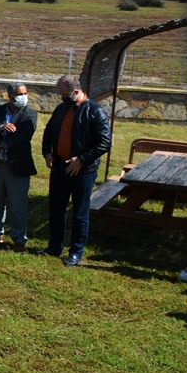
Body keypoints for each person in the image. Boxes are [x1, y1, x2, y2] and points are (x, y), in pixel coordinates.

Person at [38, 75, 111, 266]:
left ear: (76, 92)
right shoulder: (62, 108)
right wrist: (47, 153)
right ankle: (55, 246)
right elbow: (48, 131)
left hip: (82, 170)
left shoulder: (95, 111)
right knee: (56, 209)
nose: (62, 99)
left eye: (64, 95)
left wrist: (82, 160)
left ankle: (76, 252)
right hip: (60, 167)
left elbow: (105, 142)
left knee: (79, 212)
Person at [0, 82, 38, 250]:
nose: (23, 96)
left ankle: (19, 239)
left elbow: (23, 137)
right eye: (20, 94)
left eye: (25, 93)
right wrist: (1, 127)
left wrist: (0, 144)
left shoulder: (30, 114)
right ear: (10, 95)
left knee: (18, 204)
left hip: (17, 166)